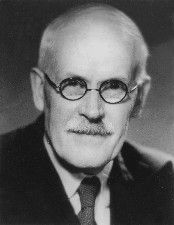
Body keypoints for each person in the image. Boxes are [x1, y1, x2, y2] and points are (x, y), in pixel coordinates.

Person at [0, 3, 174, 225]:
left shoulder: (167, 182)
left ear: (139, 97)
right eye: (73, 84)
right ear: (39, 90)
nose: (92, 111)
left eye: (113, 86)